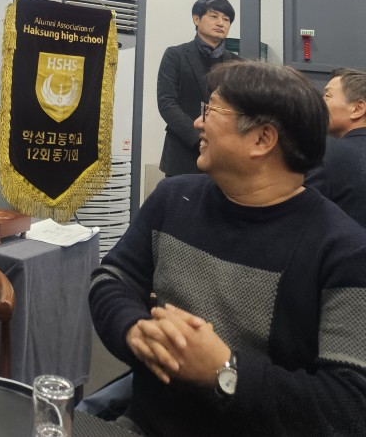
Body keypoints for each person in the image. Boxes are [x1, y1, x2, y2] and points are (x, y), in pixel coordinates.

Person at [86, 59, 366, 437]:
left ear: (262, 139)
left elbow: (349, 407)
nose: (197, 123)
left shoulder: (344, 251)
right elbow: (111, 278)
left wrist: (226, 372)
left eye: (211, 111)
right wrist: (134, 329)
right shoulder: (173, 199)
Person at [157, 0, 237, 176]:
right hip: (183, 152)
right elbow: (167, 103)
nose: (221, 23)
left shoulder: (237, 63)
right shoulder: (175, 55)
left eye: (226, 19)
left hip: (223, 154)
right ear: (196, 19)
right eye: (214, 16)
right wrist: (199, 138)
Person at [306, 68, 366, 227]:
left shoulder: (327, 155)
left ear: (357, 109)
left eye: (327, 96)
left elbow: (297, 217)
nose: (320, 104)